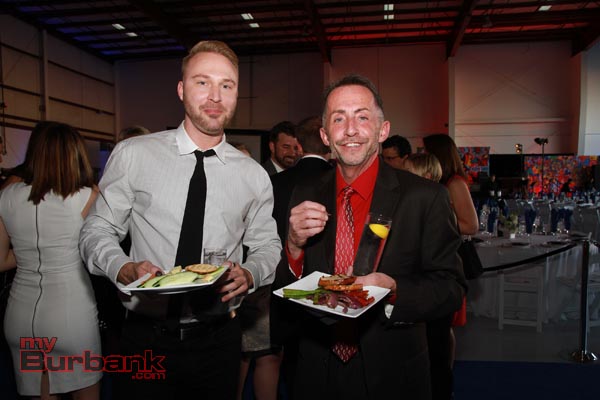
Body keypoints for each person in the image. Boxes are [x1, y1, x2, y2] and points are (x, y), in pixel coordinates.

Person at [79, 40, 281, 400]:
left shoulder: (253, 175)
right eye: (202, 82)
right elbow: (97, 229)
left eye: (227, 85)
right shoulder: (135, 155)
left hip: (219, 342)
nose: (215, 96)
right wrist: (120, 267)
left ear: (237, 94)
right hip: (145, 338)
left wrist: (251, 273)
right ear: (181, 89)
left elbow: (268, 244)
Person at [273, 74, 465, 400]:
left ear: (382, 130)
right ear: (325, 135)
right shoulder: (305, 192)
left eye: (362, 117)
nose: (350, 130)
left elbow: (451, 288)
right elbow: (283, 288)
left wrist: (394, 290)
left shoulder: (425, 197)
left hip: (394, 371)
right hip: (316, 369)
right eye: (339, 119)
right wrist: (292, 246)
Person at [0, 121, 101, 399]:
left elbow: (1, 260)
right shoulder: (88, 196)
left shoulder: (6, 196)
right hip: (71, 314)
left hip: (20, 315)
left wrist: (32, 250)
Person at [423, 133, 479, 400]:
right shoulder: (442, 182)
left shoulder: (455, 183)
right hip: (439, 257)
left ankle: (445, 377)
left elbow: (471, 225)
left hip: (450, 259)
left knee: (445, 328)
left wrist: (434, 222)